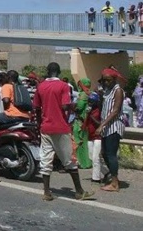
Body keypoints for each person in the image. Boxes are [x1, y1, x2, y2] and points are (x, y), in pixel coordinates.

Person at [33, 62, 93, 201]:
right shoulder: (63, 86)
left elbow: (36, 107)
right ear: (59, 72)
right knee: (69, 160)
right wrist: (74, 106)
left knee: (46, 159)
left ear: (48, 71)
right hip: (60, 127)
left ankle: (47, 192)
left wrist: (39, 123)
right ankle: (79, 191)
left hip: (46, 128)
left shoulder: (40, 86)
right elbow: (65, 105)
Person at [96, 68, 126, 192]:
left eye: (108, 80)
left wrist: (102, 125)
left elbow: (115, 110)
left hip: (113, 126)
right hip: (107, 127)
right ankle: (114, 177)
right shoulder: (107, 90)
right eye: (104, 80)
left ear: (114, 79)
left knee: (111, 154)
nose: (106, 82)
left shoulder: (117, 91)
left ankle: (114, 183)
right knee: (104, 153)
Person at [84, 93, 109, 183]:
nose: (90, 103)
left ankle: (96, 178)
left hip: (98, 137)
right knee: (91, 157)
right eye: (89, 101)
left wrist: (90, 115)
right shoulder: (89, 111)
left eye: (92, 101)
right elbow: (86, 124)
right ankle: (106, 172)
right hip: (90, 136)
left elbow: (99, 124)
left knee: (96, 157)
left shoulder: (99, 111)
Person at [73, 79, 93, 169]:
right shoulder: (90, 93)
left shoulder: (83, 95)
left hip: (80, 121)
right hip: (87, 121)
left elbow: (79, 107)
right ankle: (87, 162)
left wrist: (73, 106)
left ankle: (82, 162)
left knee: (79, 141)